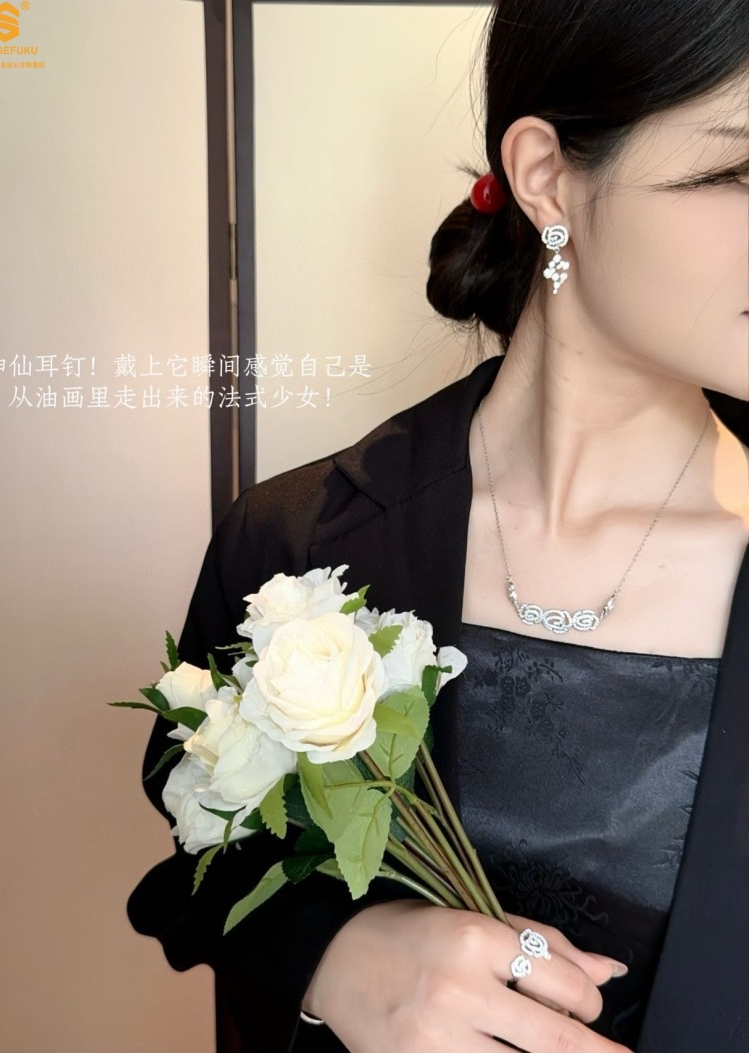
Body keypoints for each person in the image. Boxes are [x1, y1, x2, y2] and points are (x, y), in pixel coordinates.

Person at [126, 1, 749, 1051]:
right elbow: (202, 861)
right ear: (545, 175)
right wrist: (330, 953)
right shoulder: (295, 539)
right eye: (739, 171)